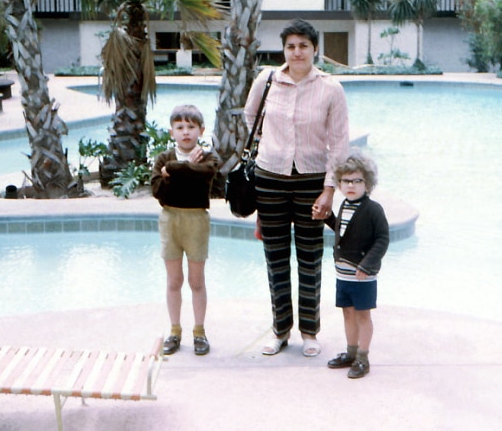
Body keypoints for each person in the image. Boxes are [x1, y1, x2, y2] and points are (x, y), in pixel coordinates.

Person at [244, 19, 349, 357]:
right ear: (284, 50)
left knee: (310, 258)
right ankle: (280, 330)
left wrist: (329, 188)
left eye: (304, 45)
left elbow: (339, 143)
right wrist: (270, 146)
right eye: (291, 46)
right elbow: (250, 118)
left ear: (315, 49)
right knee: (275, 259)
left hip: (311, 181)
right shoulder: (267, 80)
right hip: (270, 178)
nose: (297, 52)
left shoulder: (331, 88)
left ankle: (309, 331)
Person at [151, 104, 219, 356]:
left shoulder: (207, 157)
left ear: (201, 130)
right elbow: (158, 190)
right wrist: (176, 172)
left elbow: (205, 176)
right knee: (174, 280)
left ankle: (199, 331)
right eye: (180, 127)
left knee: (196, 280)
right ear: (172, 132)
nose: (186, 132)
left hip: (196, 221)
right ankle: (175, 330)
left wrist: (174, 171)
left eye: (191, 127)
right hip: (170, 220)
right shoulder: (162, 158)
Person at [324, 149, 389, 378]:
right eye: (346, 181)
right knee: (348, 314)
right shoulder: (344, 206)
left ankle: (363, 356)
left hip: (363, 276)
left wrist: (367, 265)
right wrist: (327, 218)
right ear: (339, 183)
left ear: (368, 183)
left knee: (363, 316)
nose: (351, 185)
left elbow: (382, 239)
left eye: (357, 180)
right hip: (343, 274)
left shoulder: (373, 210)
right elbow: (344, 232)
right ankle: (350, 352)